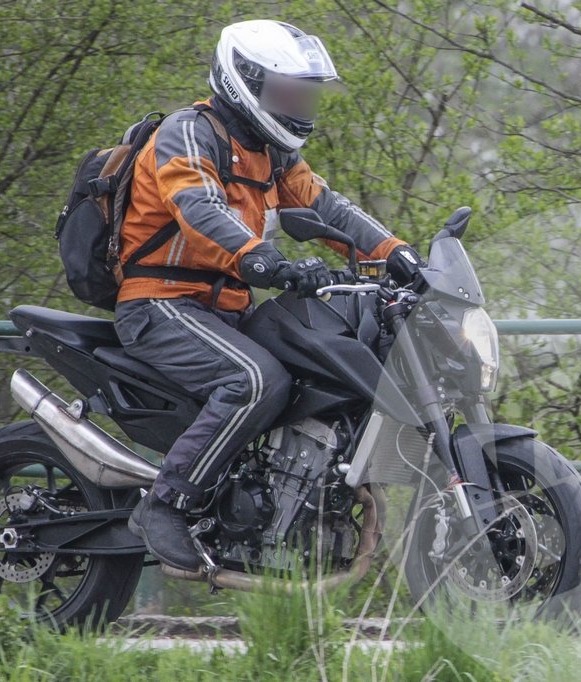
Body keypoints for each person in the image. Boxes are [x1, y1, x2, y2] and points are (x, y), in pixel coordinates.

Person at [119, 19, 423, 571]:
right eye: (287, 94)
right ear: (245, 82)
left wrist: (400, 254)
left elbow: (329, 209)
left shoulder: (272, 153)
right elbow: (199, 209)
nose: (298, 106)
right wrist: (264, 258)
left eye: (304, 95)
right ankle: (164, 504)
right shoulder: (188, 132)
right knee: (255, 380)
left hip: (227, 309)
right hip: (161, 302)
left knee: (319, 366)